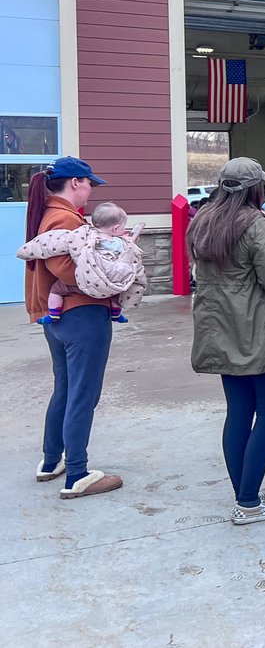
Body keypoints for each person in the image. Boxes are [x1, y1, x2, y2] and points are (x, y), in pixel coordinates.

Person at [190, 157, 265, 525]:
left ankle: (245, 491)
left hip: (219, 330)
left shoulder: (203, 220)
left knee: (239, 412)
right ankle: (248, 502)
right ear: (256, 188)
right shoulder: (256, 225)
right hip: (258, 332)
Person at [23, 157, 123, 499]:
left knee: (65, 389)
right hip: (81, 317)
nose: (91, 189)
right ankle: (77, 474)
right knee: (83, 394)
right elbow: (70, 270)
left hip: (60, 319)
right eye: (89, 183)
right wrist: (115, 272)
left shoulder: (50, 214)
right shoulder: (64, 219)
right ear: (76, 183)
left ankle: (52, 461)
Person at [19, 200, 147, 326]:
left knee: (56, 289)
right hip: (111, 285)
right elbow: (134, 262)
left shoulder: (84, 236)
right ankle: (116, 313)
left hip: (86, 283)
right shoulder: (123, 243)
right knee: (117, 292)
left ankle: (53, 314)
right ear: (116, 228)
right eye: (123, 227)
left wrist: (27, 251)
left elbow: (53, 242)